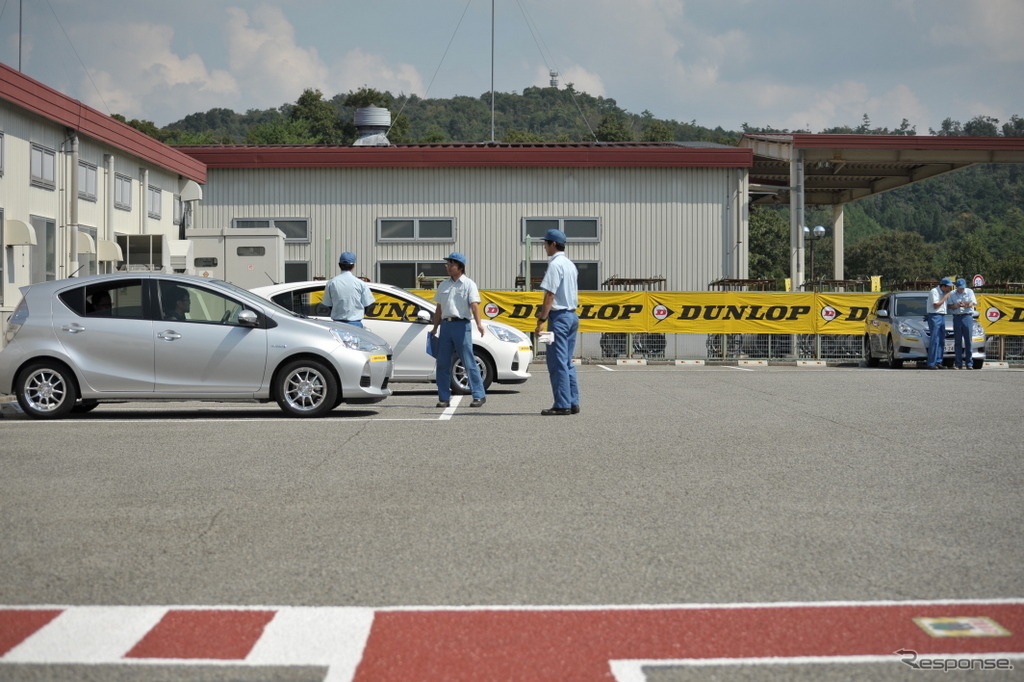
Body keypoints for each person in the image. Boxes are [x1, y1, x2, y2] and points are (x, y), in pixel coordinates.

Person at [430, 252, 486, 408]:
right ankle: (443, 397)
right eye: (447, 264)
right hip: (446, 326)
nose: (448, 267)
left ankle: (479, 395)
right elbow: (439, 308)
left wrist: (479, 324)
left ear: (460, 267)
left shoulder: (469, 284)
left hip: (462, 325)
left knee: (468, 361)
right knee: (442, 363)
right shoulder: (443, 285)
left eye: (451, 264)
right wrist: (435, 327)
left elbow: (475, 305)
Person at [534, 228, 580, 415]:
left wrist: (542, 319)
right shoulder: (570, 264)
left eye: (545, 243)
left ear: (553, 244)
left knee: (557, 362)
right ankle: (573, 401)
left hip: (559, 318)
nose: (544, 246)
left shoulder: (555, 265)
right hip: (571, 315)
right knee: (567, 361)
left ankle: (562, 404)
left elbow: (550, 294)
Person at [322, 251, 375, 327]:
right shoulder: (360, 283)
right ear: (353, 265)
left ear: (339, 265)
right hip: (355, 324)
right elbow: (368, 304)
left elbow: (328, 304)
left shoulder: (331, 283)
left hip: (337, 324)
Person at [949, 277, 978, 369]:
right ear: (956, 287)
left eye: (963, 287)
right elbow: (950, 306)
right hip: (957, 317)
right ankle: (958, 363)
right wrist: (957, 305)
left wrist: (964, 304)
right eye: (960, 287)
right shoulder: (952, 294)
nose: (961, 289)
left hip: (967, 317)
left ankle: (969, 363)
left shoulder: (969, 291)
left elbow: (972, 303)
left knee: (968, 341)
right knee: (957, 341)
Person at [925, 277, 954, 369]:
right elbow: (936, 305)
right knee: (935, 339)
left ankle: (938, 361)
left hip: (942, 316)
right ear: (943, 286)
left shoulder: (943, 293)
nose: (949, 289)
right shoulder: (935, 291)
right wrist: (945, 297)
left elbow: (947, 306)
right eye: (948, 287)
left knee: (941, 339)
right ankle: (931, 363)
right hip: (935, 315)